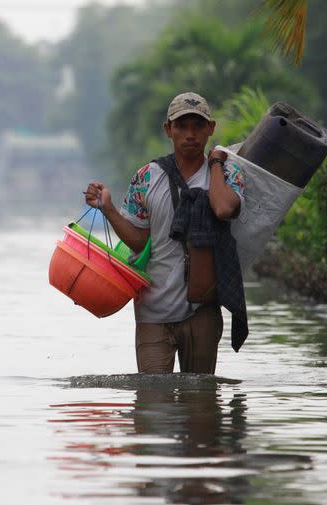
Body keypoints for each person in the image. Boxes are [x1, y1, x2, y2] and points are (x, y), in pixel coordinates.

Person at [84, 91, 248, 375]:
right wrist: (108, 209)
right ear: (168, 129)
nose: (190, 134)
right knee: (152, 407)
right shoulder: (146, 177)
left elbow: (223, 209)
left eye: (198, 126)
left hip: (202, 311)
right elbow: (141, 242)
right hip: (152, 311)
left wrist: (217, 161)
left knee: (200, 407)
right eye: (181, 126)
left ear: (211, 129)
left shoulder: (226, 173)